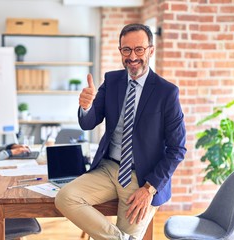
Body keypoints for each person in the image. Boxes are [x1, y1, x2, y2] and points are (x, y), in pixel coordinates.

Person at [55, 23, 186, 239]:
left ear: (150, 50)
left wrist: (148, 189)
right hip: (107, 169)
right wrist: (86, 106)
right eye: (126, 50)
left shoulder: (167, 93)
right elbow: (89, 122)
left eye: (139, 49)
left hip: (142, 178)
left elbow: (177, 149)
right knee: (65, 197)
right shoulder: (112, 80)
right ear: (120, 51)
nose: (132, 56)